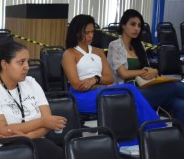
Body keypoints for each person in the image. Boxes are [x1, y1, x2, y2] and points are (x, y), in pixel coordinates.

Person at [62, 14, 160, 146]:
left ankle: (135, 138)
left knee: (128, 96)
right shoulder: (69, 54)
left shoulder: (98, 51)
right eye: (86, 33)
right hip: (80, 97)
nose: (91, 36)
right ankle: (155, 129)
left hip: (100, 90)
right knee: (128, 90)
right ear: (77, 32)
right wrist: (98, 82)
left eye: (92, 32)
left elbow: (110, 78)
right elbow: (77, 84)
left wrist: (95, 79)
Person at [107, 9, 184, 125]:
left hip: (146, 88)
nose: (136, 28)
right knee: (175, 86)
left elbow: (148, 70)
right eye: (133, 24)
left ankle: (179, 139)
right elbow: (123, 74)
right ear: (123, 25)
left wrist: (154, 71)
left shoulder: (139, 46)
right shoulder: (115, 45)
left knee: (180, 104)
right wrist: (142, 71)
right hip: (126, 91)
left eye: (139, 26)